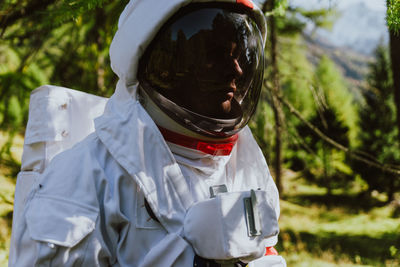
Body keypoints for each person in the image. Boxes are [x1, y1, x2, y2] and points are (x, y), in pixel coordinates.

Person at [9, 0, 285, 266]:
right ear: (162, 64)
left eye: (239, 56)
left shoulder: (246, 167)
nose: (235, 69)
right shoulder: (90, 176)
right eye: (214, 55)